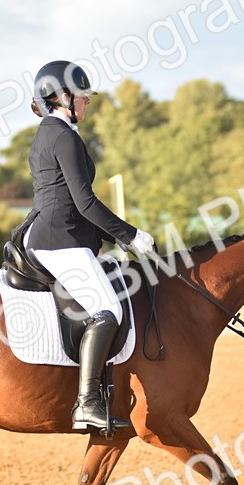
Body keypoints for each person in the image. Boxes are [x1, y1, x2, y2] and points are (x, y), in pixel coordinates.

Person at [22, 60, 155, 431]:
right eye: (82, 95)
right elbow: (84, 202)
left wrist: (110, 239)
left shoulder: (51, 132)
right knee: (108, 309)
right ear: (61, 96)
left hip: (57, 234)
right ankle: (87, 402)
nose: (87, 102)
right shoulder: (63, 136)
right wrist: (129, 235)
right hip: (59, 239)